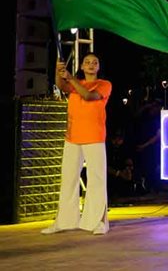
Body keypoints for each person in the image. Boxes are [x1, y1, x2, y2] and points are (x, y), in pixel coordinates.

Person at [42, 53, 112, 235]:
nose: (91, 65)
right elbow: (61, 84)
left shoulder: (104, 84)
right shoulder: (74, 85)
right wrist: (59, 71)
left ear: (98, 67)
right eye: (87, 62)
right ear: (81, 66)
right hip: (72, 137)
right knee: (68, 180)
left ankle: (98, 222)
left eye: (95, 62)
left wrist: (70, 77)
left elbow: (89, 96)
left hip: (94, 137)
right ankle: (64, 222)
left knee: (96, 180)